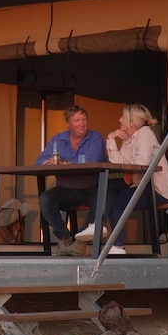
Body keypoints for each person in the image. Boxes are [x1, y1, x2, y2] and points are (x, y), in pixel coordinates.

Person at [74, 103, 168, 255]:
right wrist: (110, 139)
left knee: (115, 200)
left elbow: (141, 163)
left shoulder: (145, 134)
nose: (119, 120)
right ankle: (100, 228)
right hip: (141, 185)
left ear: (131, 121)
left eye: (123, 117)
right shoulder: (129, 138)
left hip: (158, 189)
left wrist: (128, 169)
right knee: (110, 189)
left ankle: (108, 236)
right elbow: (118, 162)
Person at [36, 104, 106, 256]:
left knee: (102, 199)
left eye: (84, 119)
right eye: (77, 120)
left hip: (89, 188)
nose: (82, 123)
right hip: (64, 189)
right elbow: (40, 159)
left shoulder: (96, 138)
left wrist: (66, 163)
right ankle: (65, 238)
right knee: (45, 199)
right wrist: (45, 162)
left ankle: (81, 242)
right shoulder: (58, 139)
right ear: (68, 124)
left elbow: (92, 160)